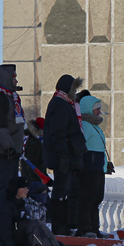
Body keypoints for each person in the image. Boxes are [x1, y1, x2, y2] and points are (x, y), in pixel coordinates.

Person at [0, 176, 74, 246]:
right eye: (24, 188)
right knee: (31, 225)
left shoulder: (20, 202)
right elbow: (4, 229)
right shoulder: (4, 204)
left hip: (10, 236)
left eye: (27, 188)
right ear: (15, 189)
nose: (27, 190)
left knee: (35, 222)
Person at [42, 75, 85, 236]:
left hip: (69, 156)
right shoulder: (60, 105)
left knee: (68, 192)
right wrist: (63, 156)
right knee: (61, 193)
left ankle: (66, 226)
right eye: (73, 88)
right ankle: (60, 228)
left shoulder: (64, 103)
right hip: (65, 157)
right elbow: (58, 133)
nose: (75, 92)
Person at [0, 64, 26, 219]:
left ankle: (6, 221)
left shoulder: (12, 98)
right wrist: (8, 147)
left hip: (12, 153)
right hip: (3, 153)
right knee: (0, 189)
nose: (16, 80)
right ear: (6, 78)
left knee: (10, 190)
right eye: (13, 77)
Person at [75, 94, 111, 238]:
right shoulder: (86, 125)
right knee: (87, 199)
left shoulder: (95, 126)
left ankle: (94, 228)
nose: (99, 111)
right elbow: (80, 145)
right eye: (96, 109)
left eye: (99, 109)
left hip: (98, 168)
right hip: (89, 169)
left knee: (96, 199)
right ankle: (85, 228)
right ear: (89, 109)